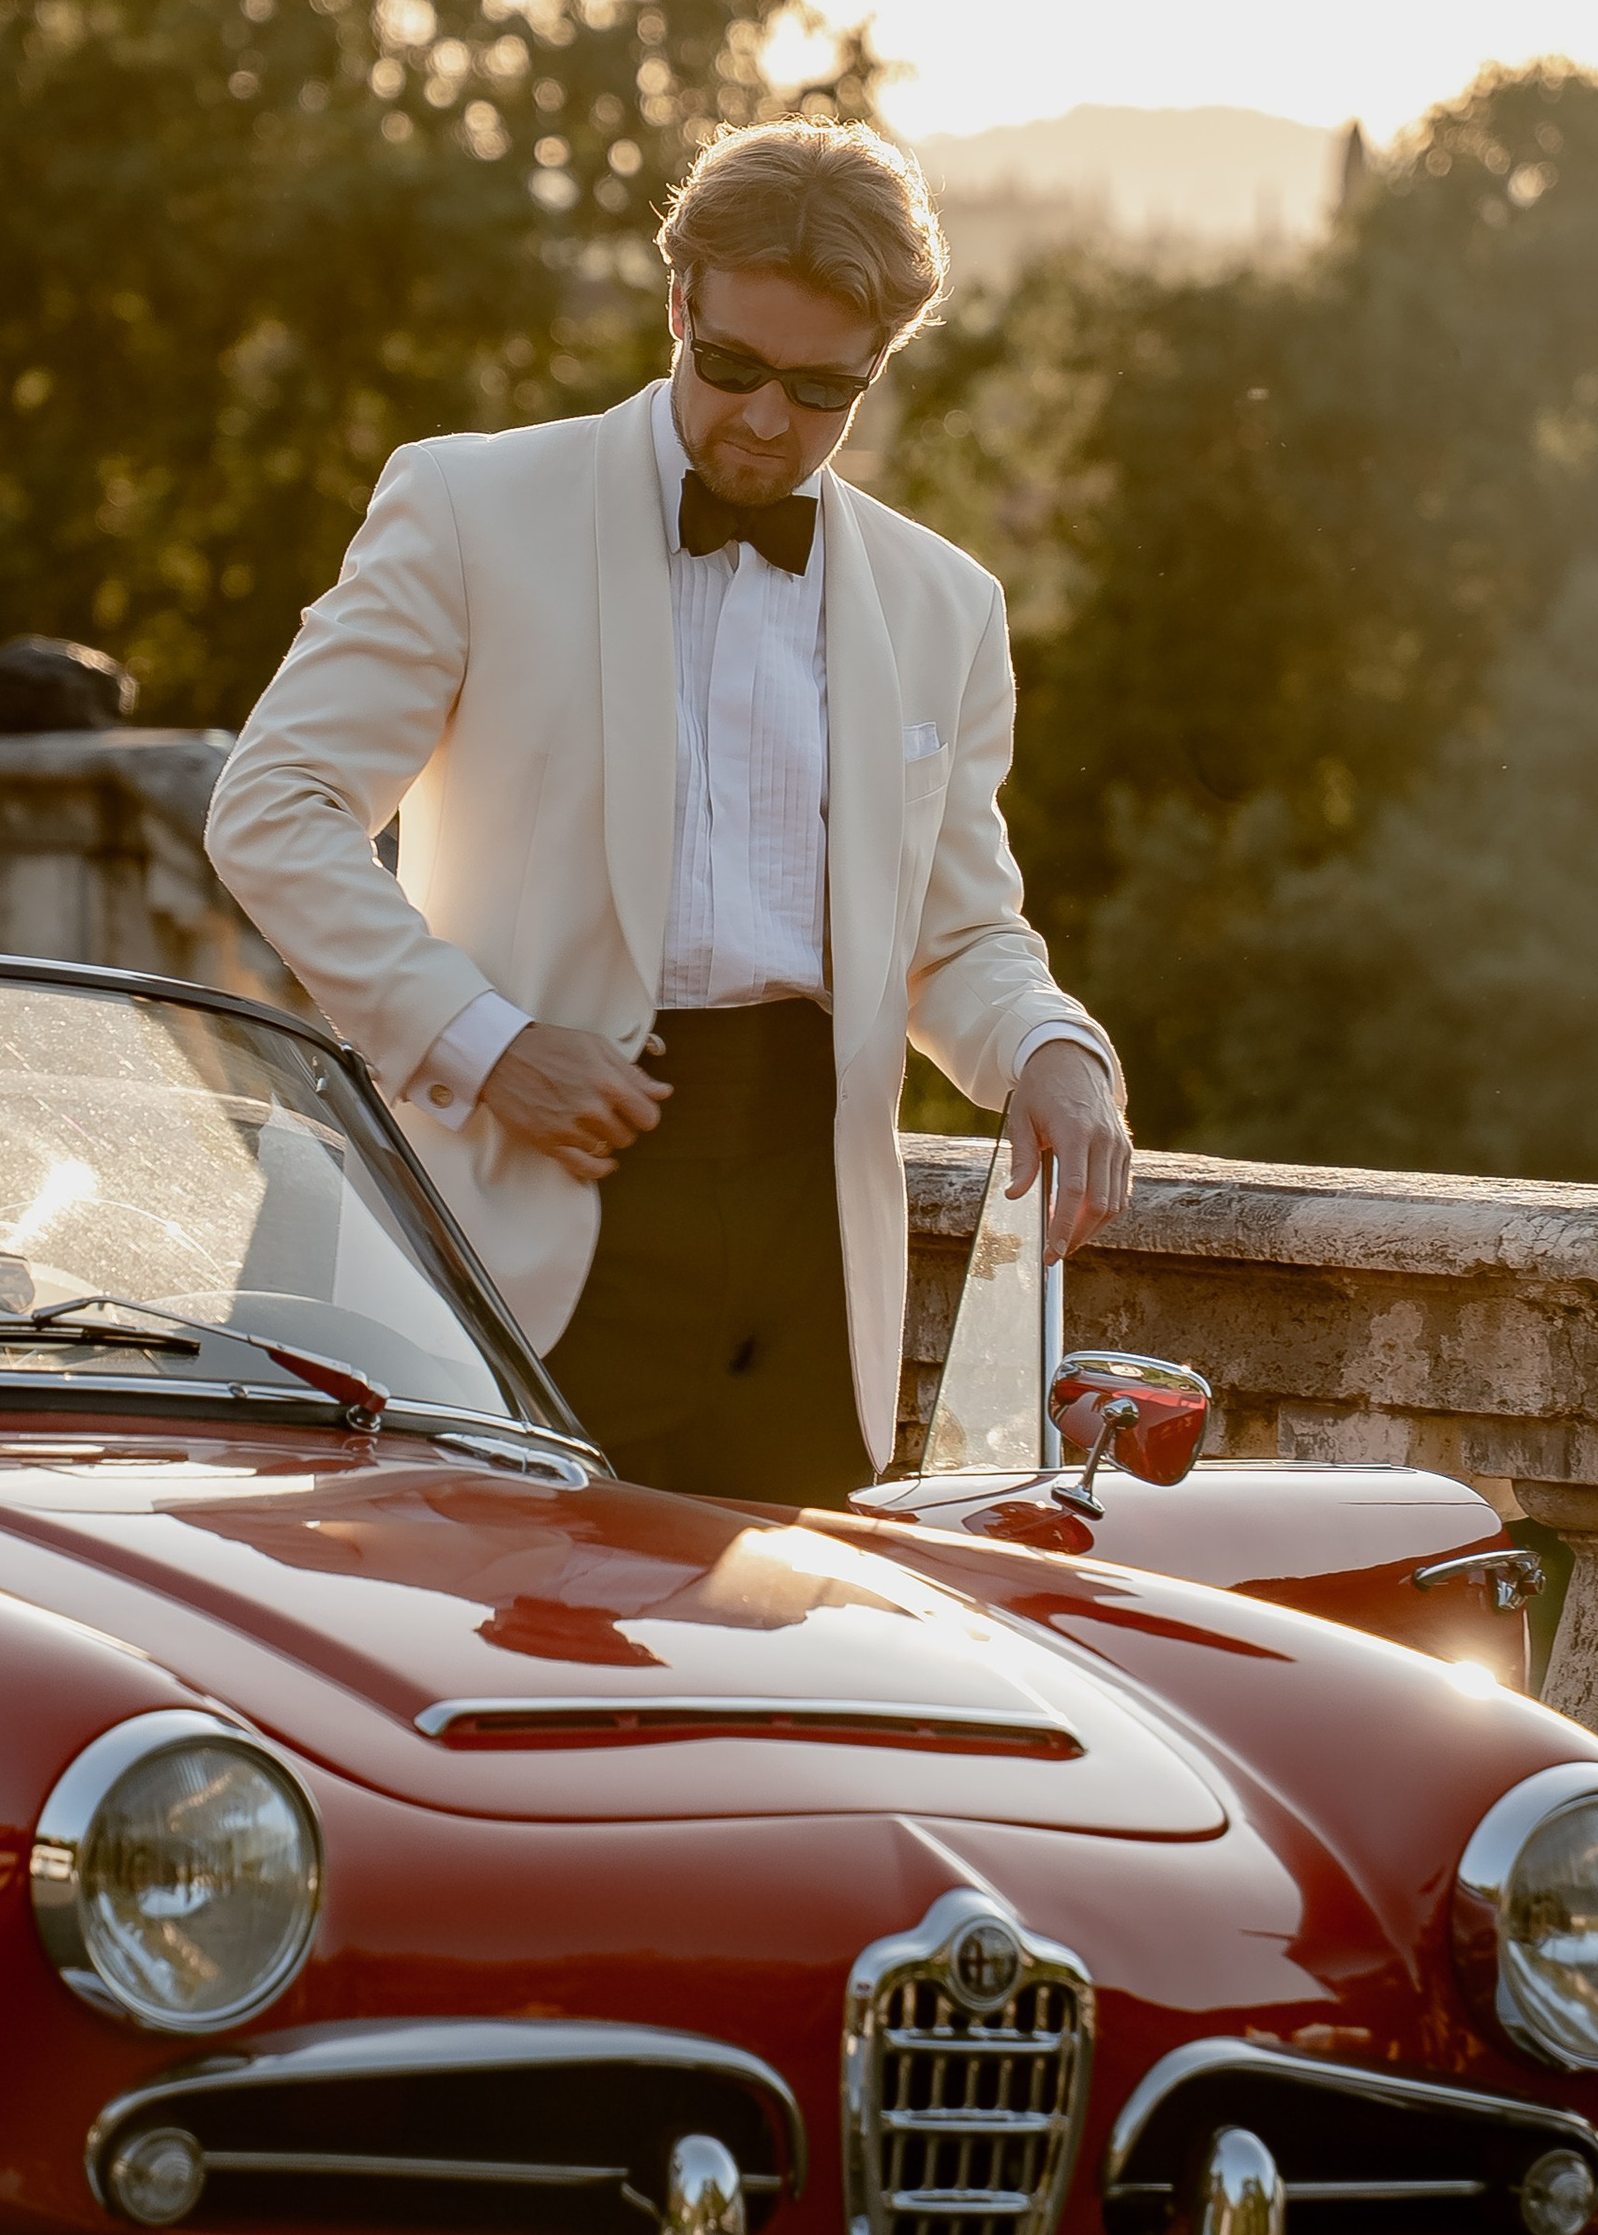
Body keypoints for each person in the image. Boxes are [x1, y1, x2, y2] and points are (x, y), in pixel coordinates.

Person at [204, 118, 1131, 1503]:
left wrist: (1052, 1046)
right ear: (679, 303)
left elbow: (955, 935)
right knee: (505, 1627)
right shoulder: (469, 506)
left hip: (809, 1274)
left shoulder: (948, 605)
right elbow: (274, 804)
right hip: (526, 1222)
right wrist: (483, 1042)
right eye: (736, 365)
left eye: (819, 389)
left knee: (783, 1647)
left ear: (879, 366)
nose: (765, 419)